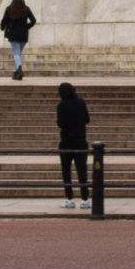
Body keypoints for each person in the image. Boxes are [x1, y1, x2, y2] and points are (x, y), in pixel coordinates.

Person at [57, 81, 92, 209]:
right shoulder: (81, 103)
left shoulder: (61, 105)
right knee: (82, 171)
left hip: (66, 142)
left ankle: (69, 198)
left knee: (66, 172)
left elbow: (60, 123)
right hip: (80, 141)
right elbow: (87, 119)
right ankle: (85, 198)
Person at [0, 0, 37, 81]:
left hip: (13, 33)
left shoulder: (9, 8)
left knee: (16, 53)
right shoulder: (26, 9)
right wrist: (26, 26)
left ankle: (19, 68)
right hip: (23, 34)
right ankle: (16, 72)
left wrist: (2, 27)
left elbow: (4, 20)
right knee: (18, 53)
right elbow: (33, 20)